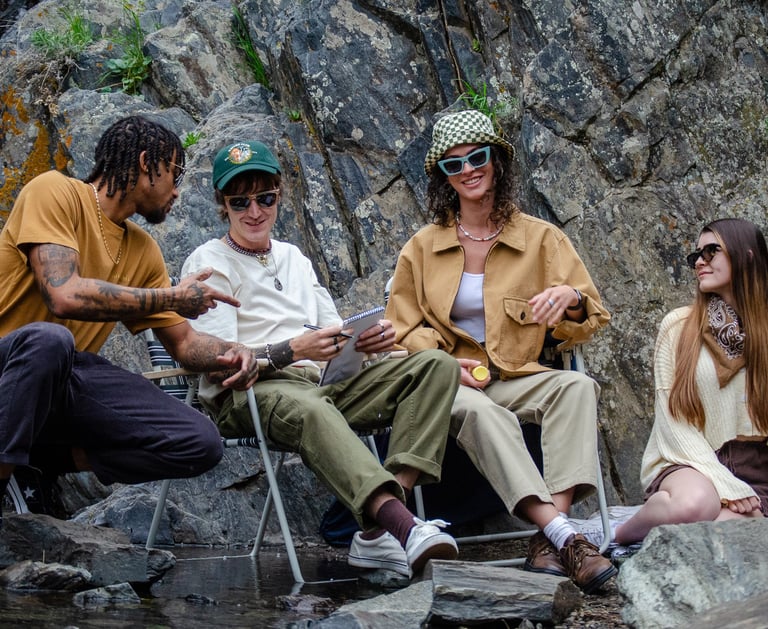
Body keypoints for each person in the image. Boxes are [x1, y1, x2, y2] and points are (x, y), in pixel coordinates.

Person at [180, 140, 461, 578]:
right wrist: (294, 350)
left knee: (436, 366)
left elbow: (335, 330)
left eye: (265, 198)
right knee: (311, 407)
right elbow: (220, 363)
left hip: (321, 383)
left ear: (279, 196)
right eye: (240, 202)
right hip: (250, 394)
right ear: (223, 205)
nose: (254, 211)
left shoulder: (293, 257)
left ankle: (379, 529)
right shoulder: (209, 261)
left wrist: (369, 342)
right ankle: (405, 527)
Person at [385, 109, 617, 593]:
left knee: (577, 387)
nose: (468, 170)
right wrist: (444, 364)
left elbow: (591, 313)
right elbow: (401, 329)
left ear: (497, 160)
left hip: (515, 375)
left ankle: (548, 538)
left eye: (477, 157)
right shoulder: (421, 248)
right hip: (450, 383)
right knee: (481, 412)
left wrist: (571, 300)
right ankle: (566, 537)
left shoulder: (541, 238)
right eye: (453, 164)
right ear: (443, 177)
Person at [0, 116, 264, 526]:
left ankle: (36, 464)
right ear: (145, 163)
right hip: (11, 363)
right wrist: (172, 296)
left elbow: (184, 344)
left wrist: (234, 352)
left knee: (200, 442)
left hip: (61, 380)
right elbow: (63, 295)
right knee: (51, 342)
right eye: (175, 173)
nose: (177, 190)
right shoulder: (55, 191)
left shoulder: (143, 250)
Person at [580, 218, 768, 549]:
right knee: (694, 506)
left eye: (711, 251)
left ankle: (655, 536)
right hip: (689, 461)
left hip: (757, 467)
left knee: (725, 532)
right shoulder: (679, 327)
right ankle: (617, 536)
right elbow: (673, 421)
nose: (699, 262)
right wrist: (724, 483)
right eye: (696, 255)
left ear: (747, 255)